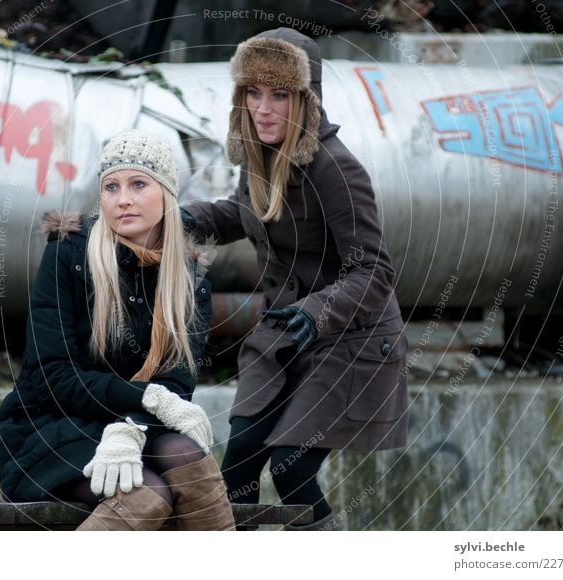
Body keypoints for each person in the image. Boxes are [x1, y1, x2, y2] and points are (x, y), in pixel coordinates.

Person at [182, 28, 409, 530]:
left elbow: (375, 269)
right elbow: (242, 215)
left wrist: (315, 313)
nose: (263, 109)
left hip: (350, 333)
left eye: (279, 95)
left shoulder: (337, 169)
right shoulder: (259, 155)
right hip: (284, 330)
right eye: (253, 93)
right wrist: (172, 221)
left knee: (291, 467)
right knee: (239, 455)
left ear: (306, 100)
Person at [0, 129, 236, 531]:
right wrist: (148, 401)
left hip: (133, 430)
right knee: (148, 494)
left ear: (167, 193)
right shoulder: (67, 256)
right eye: (111, 187)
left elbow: (174, 386)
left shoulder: (189, 282)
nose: (123, 199)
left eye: (139, 184)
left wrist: (130, 428)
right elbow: (50, 376)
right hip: (51, 428)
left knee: (188, 459)